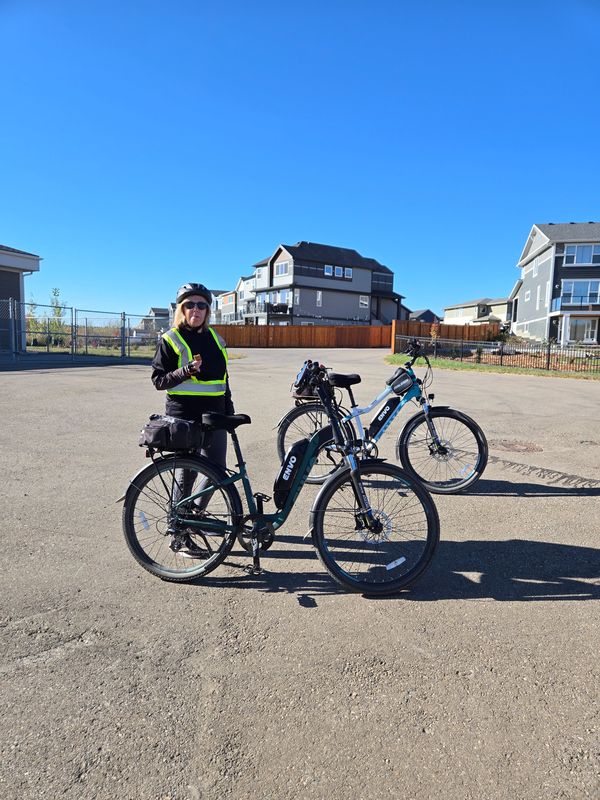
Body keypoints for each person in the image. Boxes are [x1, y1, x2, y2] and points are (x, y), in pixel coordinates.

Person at [151, 282, 234, 557]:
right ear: (181, 309)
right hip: (183, 416)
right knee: (184, 476)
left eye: (201, 305)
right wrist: (185, 371)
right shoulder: (171, 339)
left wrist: (229, 413)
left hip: (214, 415)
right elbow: (159, 380)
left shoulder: (215, 338)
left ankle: (194, 517)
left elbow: (223, 379)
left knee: (217, 471)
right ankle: (178, 534)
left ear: (208, 310)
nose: (196, 310)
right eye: (190, 305)